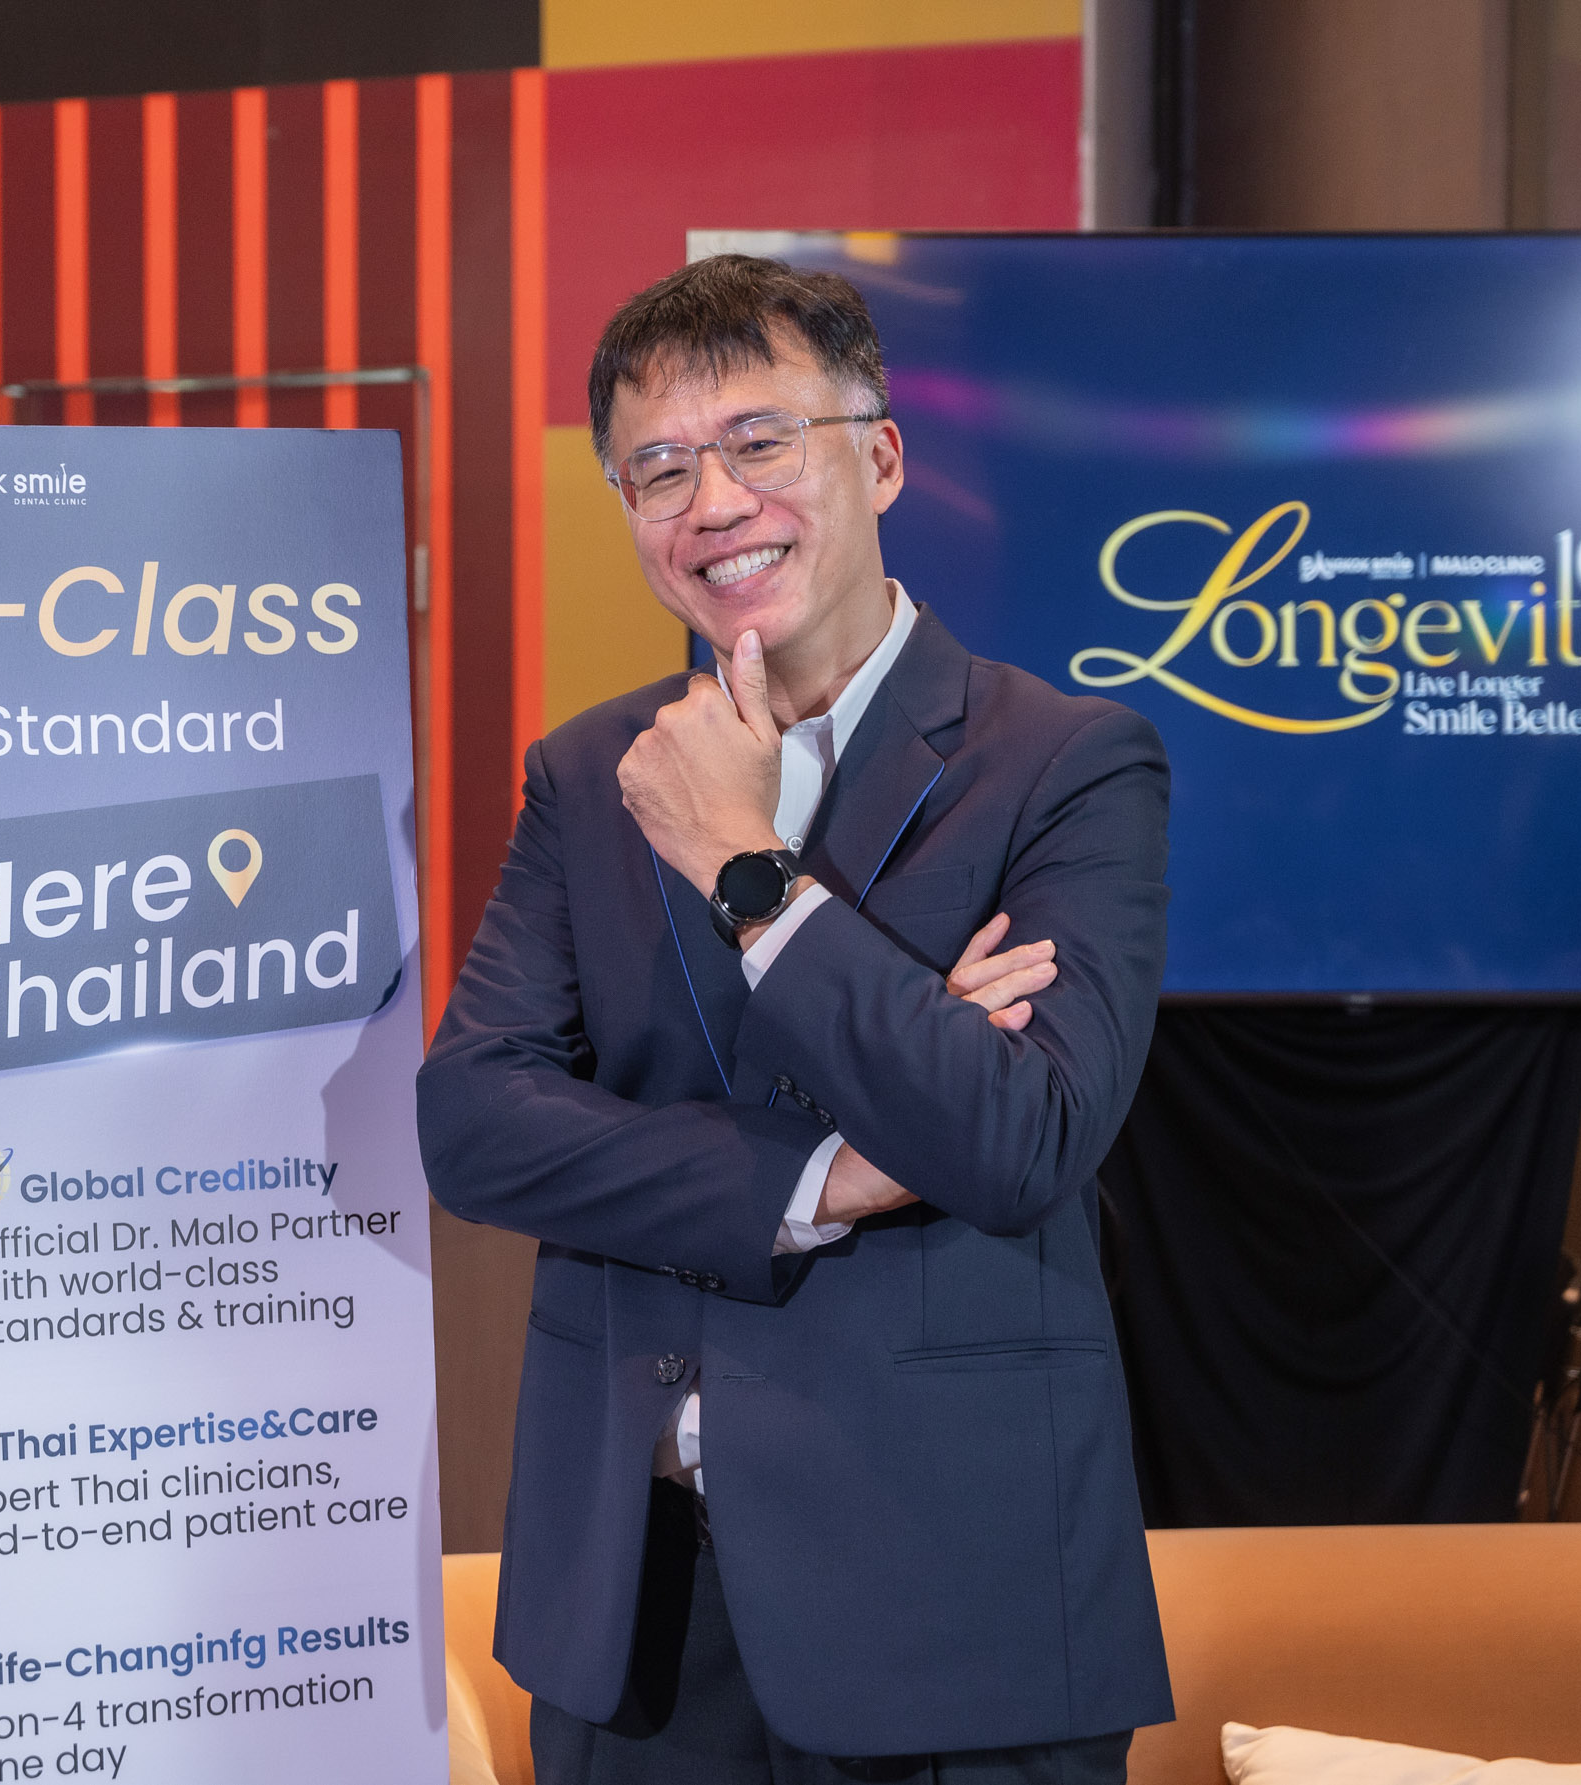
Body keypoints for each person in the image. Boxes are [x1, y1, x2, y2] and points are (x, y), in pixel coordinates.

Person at [417, 254, 1172, 1785]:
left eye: (760, 441)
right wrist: (828, 1173)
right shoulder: (591, 773)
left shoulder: (1067, 763)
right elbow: (475, 1119)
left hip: (947, 1608)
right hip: (636, 1610)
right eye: (659, 468)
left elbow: (1019, 1137)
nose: (714, 501)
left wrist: (747, 871)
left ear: (879, 456)